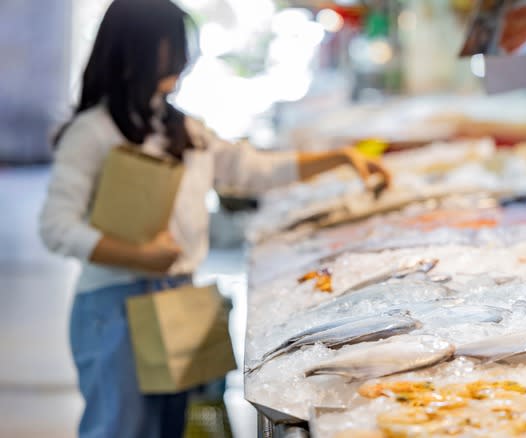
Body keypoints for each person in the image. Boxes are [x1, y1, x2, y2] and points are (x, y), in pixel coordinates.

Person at [39, 1, 390, 437]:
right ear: (135, 50)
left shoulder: (181, 127)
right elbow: (56, 227)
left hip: (179, 298)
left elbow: (251, 170)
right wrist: (138, 255)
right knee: (120, 427)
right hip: (115, 307)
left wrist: (340, 158)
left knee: (178, 426)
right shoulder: (91, 132)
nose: (181, 61)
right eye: (170, 48)